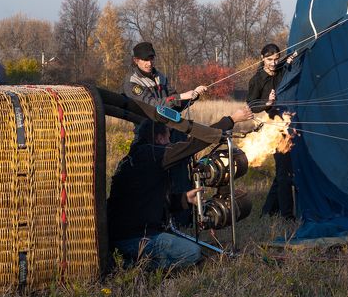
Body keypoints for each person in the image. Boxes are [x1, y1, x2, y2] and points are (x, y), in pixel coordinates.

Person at [107, 106, 252, 269]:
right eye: (169, 137)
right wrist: (231, 120)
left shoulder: (135, 158)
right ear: (160, 137)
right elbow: (193, 145)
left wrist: (183, 199)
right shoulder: (154, 155)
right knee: (191, 252)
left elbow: (146, 202)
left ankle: (129, 259)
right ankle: (131, 265)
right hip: (135, 238)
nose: (171, 142)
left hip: (121, 236)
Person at [247, 43, 297, 219]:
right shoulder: (258, 79)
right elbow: (251, 105)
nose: (273, 63)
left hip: (289, 125)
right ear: (262, 58)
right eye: (269, 60)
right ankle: (287, 216)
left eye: (276, 59)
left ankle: (268, 211)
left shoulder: (282, 69)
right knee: (284, 174)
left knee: (285, 172)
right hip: (272, 130)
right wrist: (267, 103)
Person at [123, 41, 206, 111]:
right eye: (145, 59)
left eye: (151, 58)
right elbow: (151, 105)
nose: (149, 63)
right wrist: (182, 96)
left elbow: (175, 105)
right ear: (136, 60)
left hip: (167, 126)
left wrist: (193, 95)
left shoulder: (161, 77)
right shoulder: (132, 81)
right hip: (146, 127)